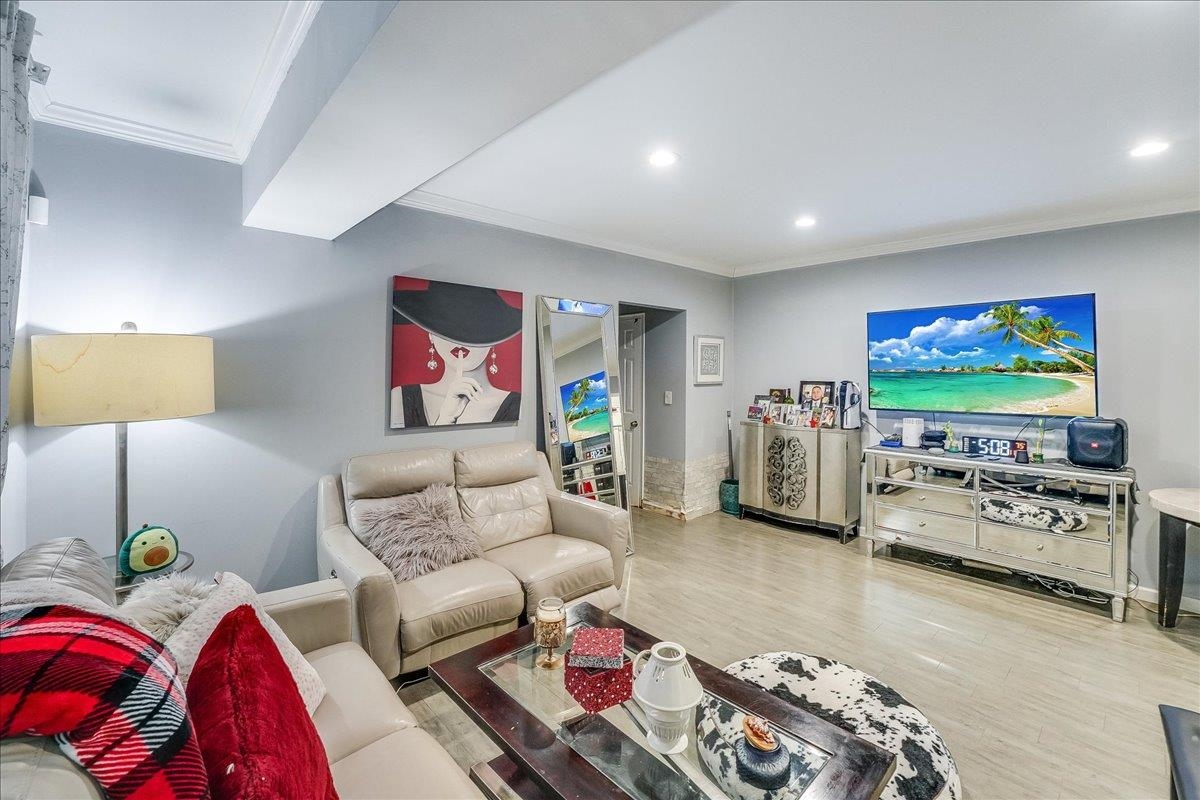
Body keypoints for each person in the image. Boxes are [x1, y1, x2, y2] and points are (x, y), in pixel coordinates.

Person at [389, 280, 521, 428]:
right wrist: (445, 419)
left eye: (475, 327)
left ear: (495, 338)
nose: (459, 340)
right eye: (445, 327)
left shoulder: (518, 405)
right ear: (430, 334)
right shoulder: (401, 398)